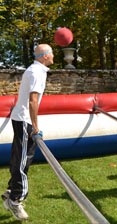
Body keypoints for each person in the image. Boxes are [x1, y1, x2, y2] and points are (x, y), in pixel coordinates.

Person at [1, 44, 54, 220]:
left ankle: (11, 191)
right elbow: (33, 101)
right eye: (51, 53)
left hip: (21, 118)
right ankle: (15, 200)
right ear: (45, 56)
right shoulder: (37, 72)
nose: (54, 55)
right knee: (23, 160)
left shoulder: (35, 70)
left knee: (19, 157)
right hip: (24, 120)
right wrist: (35, 127)